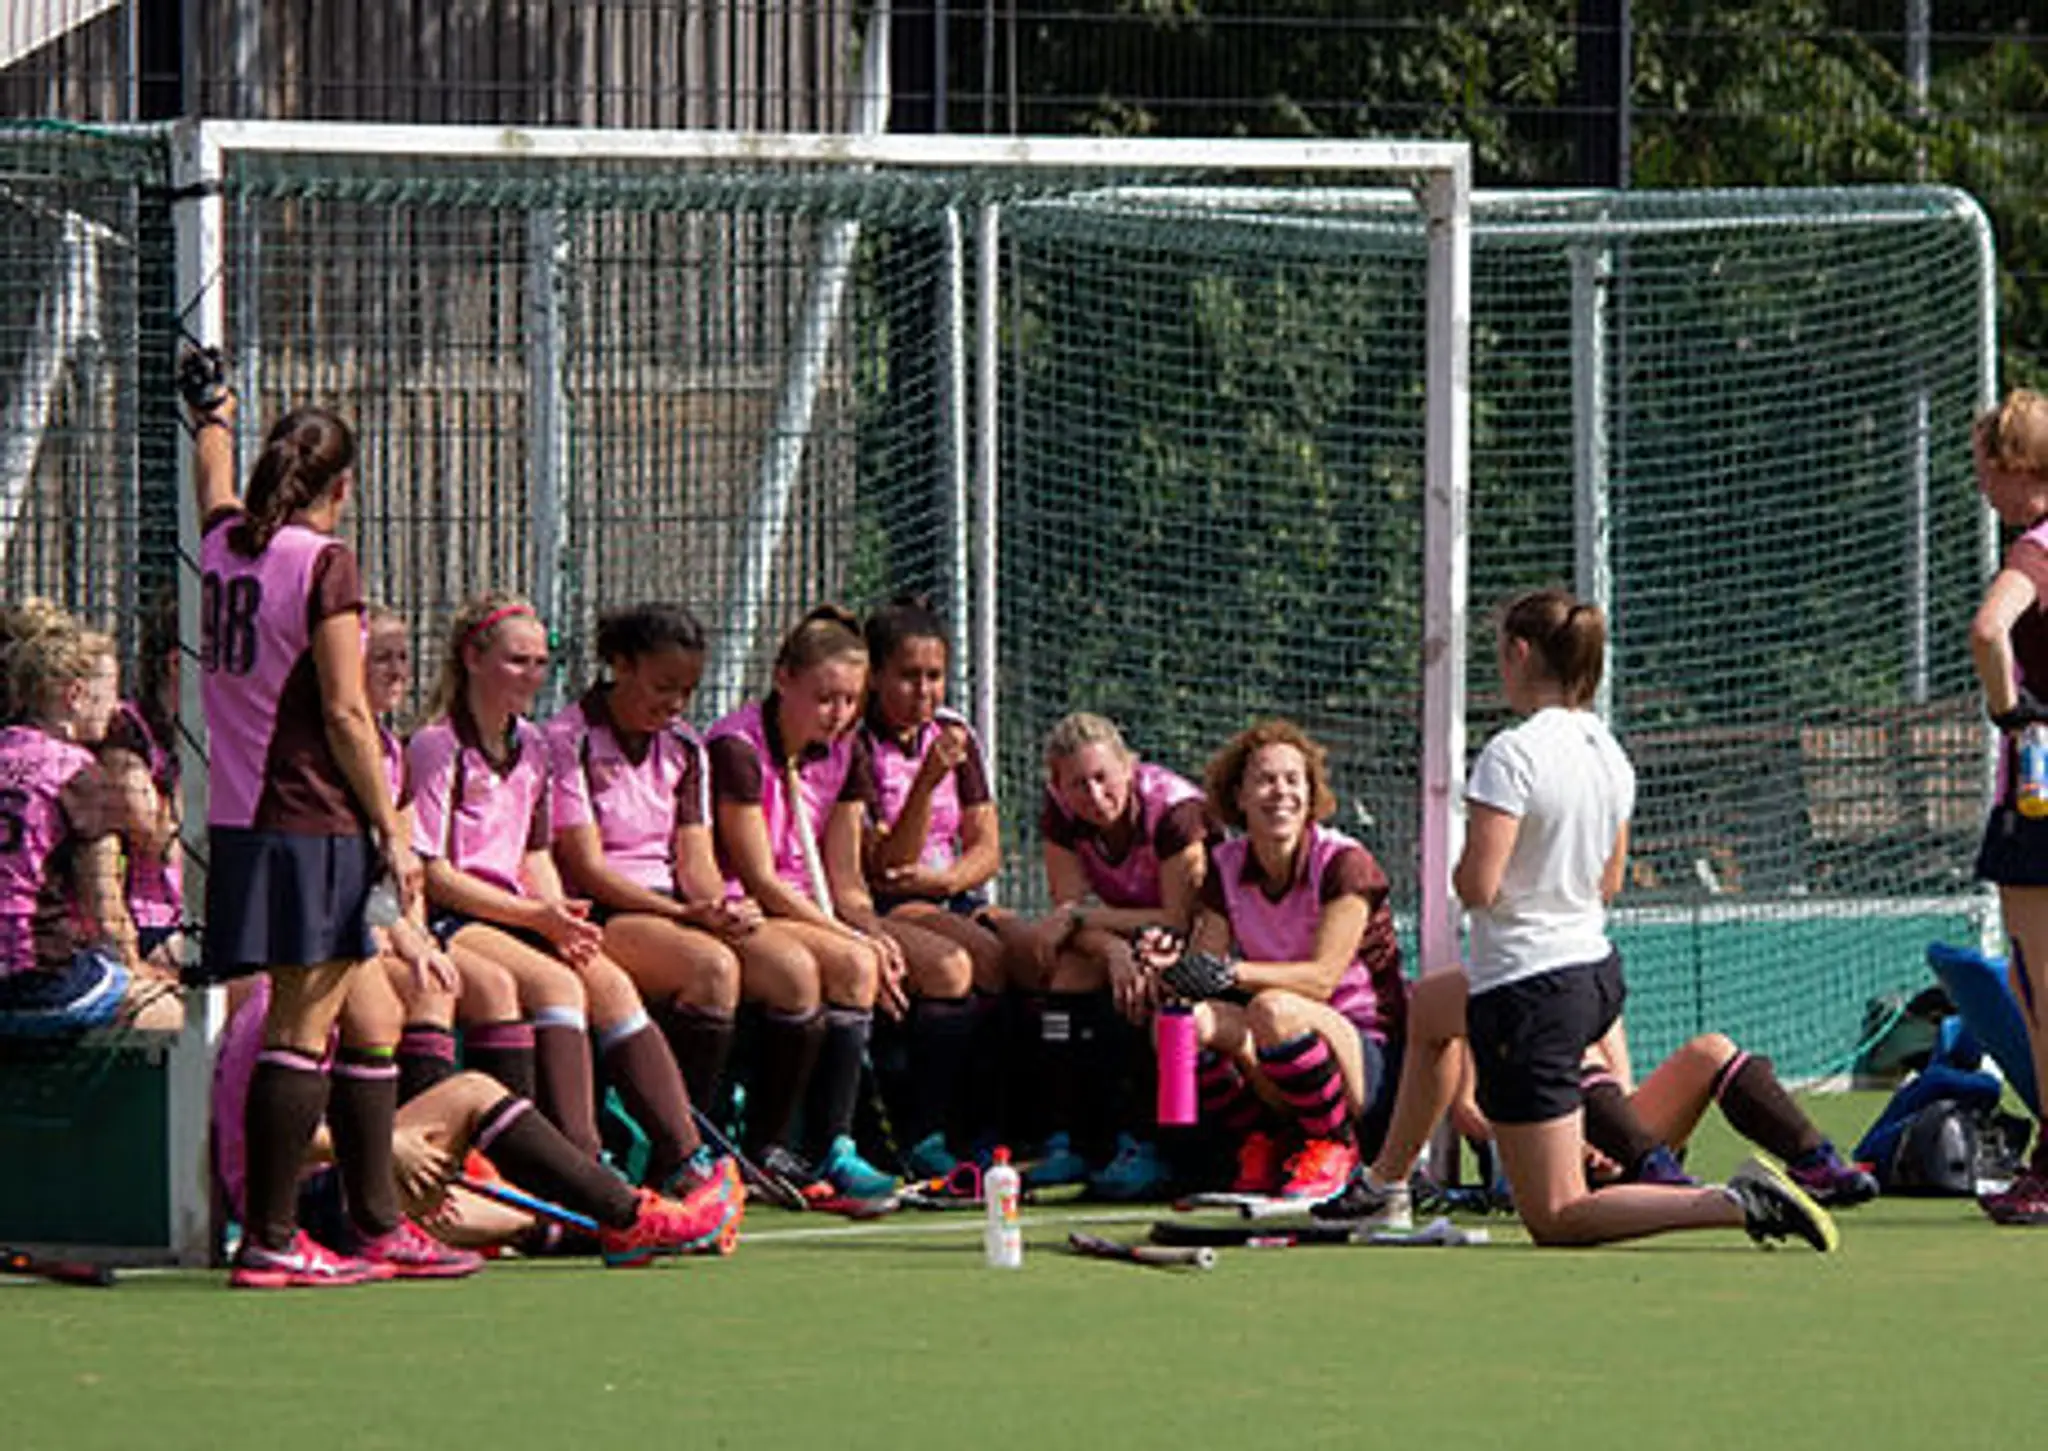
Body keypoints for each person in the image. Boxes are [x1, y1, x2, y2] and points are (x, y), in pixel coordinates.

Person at [1317, 588, 1836, 1249]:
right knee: (1431, 1013)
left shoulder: (1511, 753)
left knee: (1557, 1215)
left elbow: (1478, 886)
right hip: (1593, 973)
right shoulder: (1607, 752)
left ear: (1519, 651)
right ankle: (1384, 1183)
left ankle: (1736, 1203)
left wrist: (1457, 863)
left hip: (1528, 990)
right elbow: (1609, 882)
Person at [183, 370, 455, 1287]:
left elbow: (213, 480)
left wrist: (211, 417)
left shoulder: (224, 540)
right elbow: (344, 709)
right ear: (343, 485)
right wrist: (390, 827)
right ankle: (271, 1236)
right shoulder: (325, 563)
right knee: (301, 1026)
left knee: (341, 1014)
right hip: (309, 813)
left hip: (242, 816)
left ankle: (354, 1225)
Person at [408, 593, 739, 1224]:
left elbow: (535, 855)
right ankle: (578, 1169)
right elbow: (436, 874)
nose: (532, 675)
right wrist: (538, 919)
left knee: (608, 982)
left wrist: (558, 915)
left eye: (541, 662)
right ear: (472, 659)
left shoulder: (533, 745)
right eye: (517, 661)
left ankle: (687, 1160)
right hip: (458, 919)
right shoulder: (437, 746)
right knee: (558, 986)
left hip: (520, 914)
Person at [213, 974, 734, 1269]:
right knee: (468, 1135)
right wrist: (390, 1148)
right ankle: (630, 1220)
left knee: (470, 1111)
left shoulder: (331, 1005)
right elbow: (270, 1140)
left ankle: (625, 1220)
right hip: (295, 1202)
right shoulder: (288, 1016)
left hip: (339, 1182)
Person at [1141, 720, 1407, 1201]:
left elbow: (1322, 980)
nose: (1280, 792)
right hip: (1280, 1039)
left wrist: (1232, 973)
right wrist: (1171, 967)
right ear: (1239, 796)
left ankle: (1335, 1146)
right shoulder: (1225, 866)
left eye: (1292, 779)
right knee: (1182, 1023)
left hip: (1367, 1050)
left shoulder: (1344, 863)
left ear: (1311, 793)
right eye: (1265, 780)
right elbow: (1204, 970)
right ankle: (1259, 1144)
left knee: (1273, 1009)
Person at [548, 601, 792, 1115]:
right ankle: (679, 1134)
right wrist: (683, 914)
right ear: (621, 666)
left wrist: (718, 907)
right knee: (713, 970)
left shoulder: (686, 747)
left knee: (794, 972)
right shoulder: (569, 740)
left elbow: (695, 858)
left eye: (687, 691)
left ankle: (771, 1138)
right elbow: (588, 869)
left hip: (672, 908)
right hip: (602, 913)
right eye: (663, 687)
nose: (676, 704)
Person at [706, 605, 911, 1209]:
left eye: (850, 700)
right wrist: (848, 938)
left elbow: (844, 877)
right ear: (782, 678)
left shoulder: (846, 750)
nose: (838, 713)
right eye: (824, 698)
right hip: (746, 906)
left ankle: (833, 1146)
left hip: (805, 909)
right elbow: (760, 879)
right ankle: (764, 1145)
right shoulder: (737, 746)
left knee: (860, 965)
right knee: (809, 969)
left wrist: (868, 930)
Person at [858, 594, 1017, 1175]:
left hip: (948, 891)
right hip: (890, 902)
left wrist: (948, 878)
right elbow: (887, 865)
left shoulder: (954, 733)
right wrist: (925, 783)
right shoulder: (858, 743)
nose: (923, 691)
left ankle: (1000, 1124)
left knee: (1028, 954)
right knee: (955, 966)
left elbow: (988, 848)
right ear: (875, 676)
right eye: (908, 676)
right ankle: (923, 1130)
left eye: (934, 676)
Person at [1025, 712, 1212, 1198]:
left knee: (1150, 982)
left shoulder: (1175, 812)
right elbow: (1067, 914)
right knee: (1068, 970)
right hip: (1125, 933)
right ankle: (1071, 1138)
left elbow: (1178, 917)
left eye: (1102, 777)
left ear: (1128, 767)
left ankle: (1146, 1142)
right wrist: (1111, 948)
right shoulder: (1061, 813)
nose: (1094, 794)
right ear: (1059, 787)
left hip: (1195, 939)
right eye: (1078, 784)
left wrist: (1089, 921)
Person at [0, 610, 183, 1036]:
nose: (117, 708)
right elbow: (105, 909)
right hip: (38, 978)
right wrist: (136, 969)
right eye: (110, 694)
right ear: (76, 695)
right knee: (186, 1016)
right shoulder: (78, 774)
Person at [1965, 386, 2048, 1224]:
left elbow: (1990, 629)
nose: (1983, 485)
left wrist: (2011, 713)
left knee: (2041, 984)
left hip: (2041, 794)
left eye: (1989, 467)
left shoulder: (2035, 550)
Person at [98, 589, 184, 969]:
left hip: (209, 913)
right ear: (177, 664)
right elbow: (159, 840)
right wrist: (197, 752)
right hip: (151, 923)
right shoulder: (126, 731)